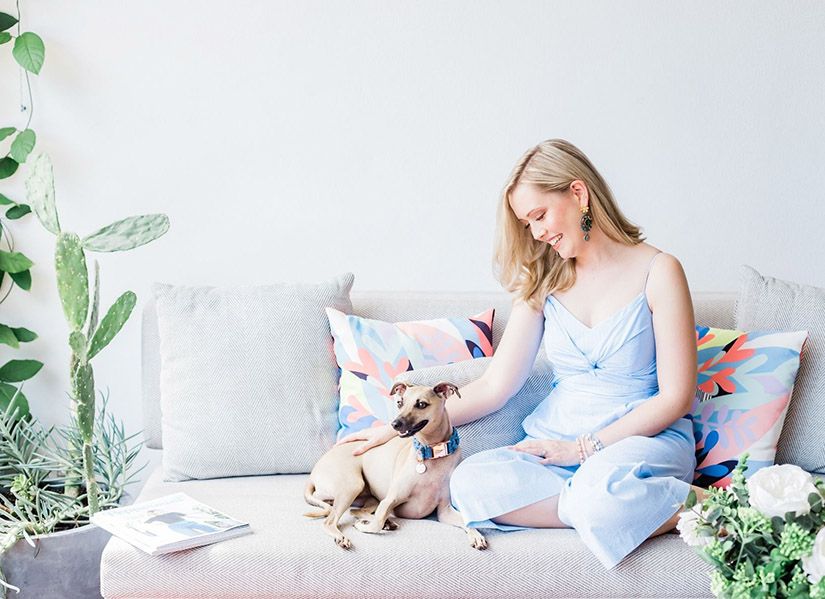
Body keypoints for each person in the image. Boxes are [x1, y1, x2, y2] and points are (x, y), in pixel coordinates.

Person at [337, 138, 702, 569]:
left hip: (639, 439)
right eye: (528, 224)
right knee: (468, 482)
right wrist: (394, 428)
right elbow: (495, 385)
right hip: (557, 439)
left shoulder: (660, 270)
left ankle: (688, 504)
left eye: (539, 215)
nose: (537, 233)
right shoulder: (542, 281)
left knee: (599, 496)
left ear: (578, 193)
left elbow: (676, 397)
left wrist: (587, 449)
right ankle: (595, 508)